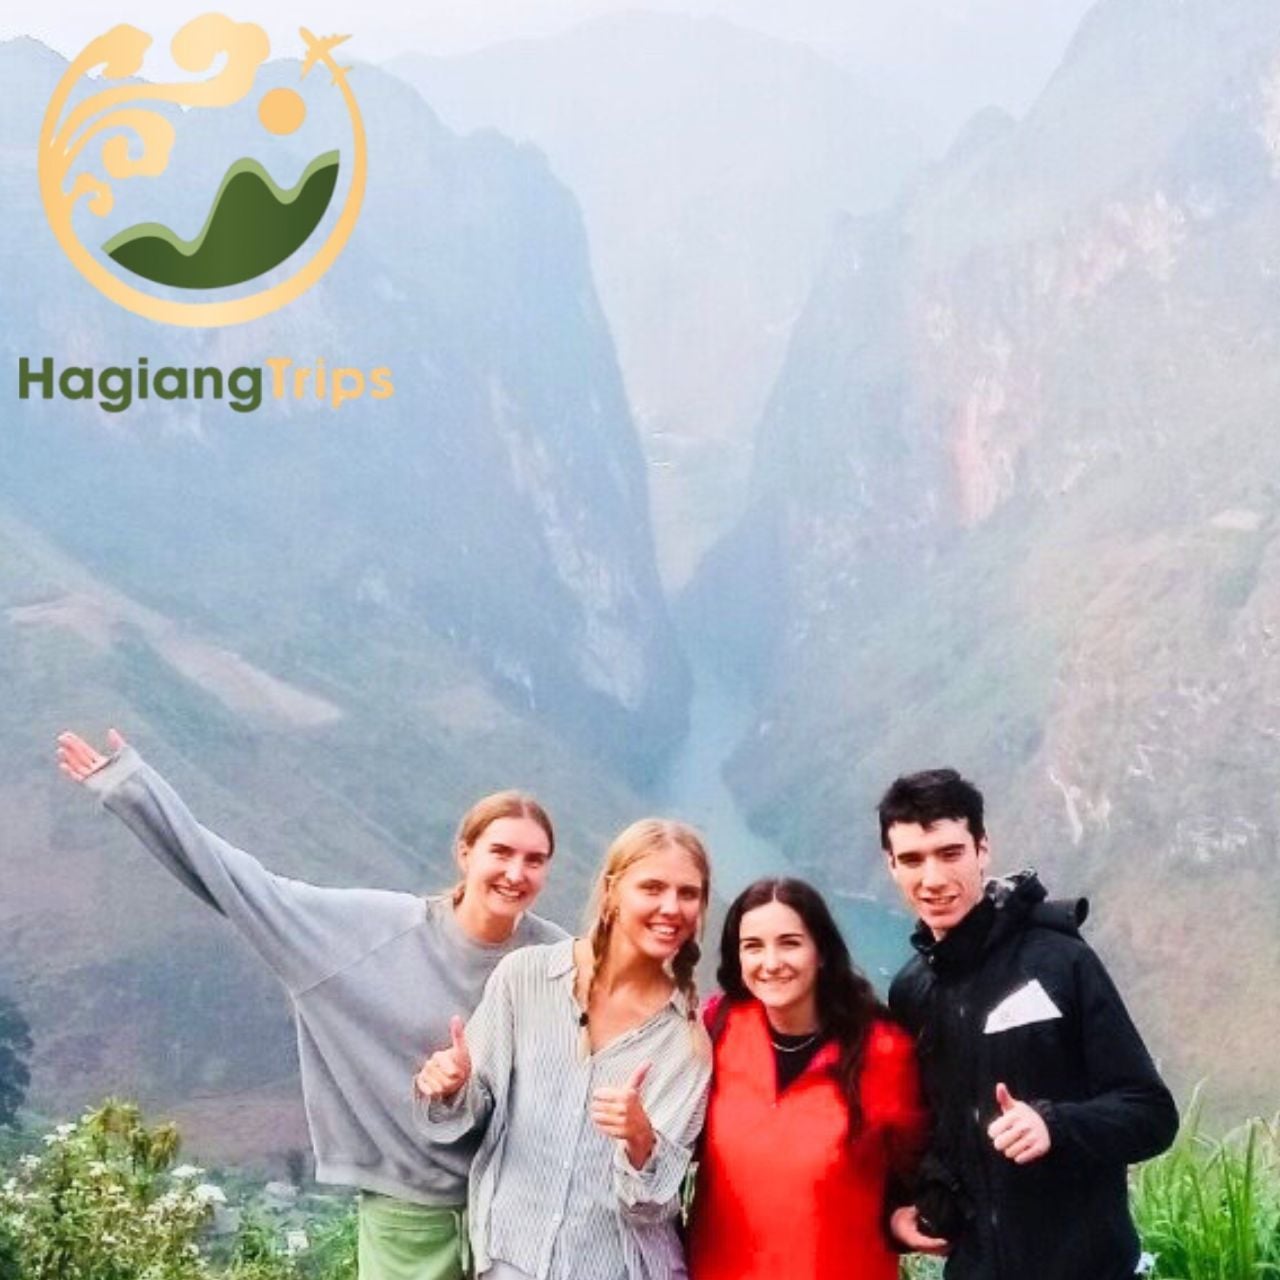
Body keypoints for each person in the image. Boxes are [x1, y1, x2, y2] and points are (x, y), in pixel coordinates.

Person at [56, 728, 566, 1280]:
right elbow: (242, 887)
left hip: (519, 1219)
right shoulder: (373, 934)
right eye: (501, 852)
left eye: (534, 860)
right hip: (410, 1221)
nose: (516, 873)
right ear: (465, 853)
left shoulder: (560, 960)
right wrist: (133, 788)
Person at [877, 767, 1179, 1280]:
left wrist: (1053, 1125)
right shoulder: (911, 991)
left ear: (982, 849)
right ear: (891, 865)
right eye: (912, 859)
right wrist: (897, 1211)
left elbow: (1151, 1114)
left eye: (950, 853)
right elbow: (920, 1133)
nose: (933, 878)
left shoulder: (1060, 962)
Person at [414, 818, 713, 1280]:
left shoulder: (685, 1042)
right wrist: (451, 1086)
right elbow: (472, 1113)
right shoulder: (525, 977)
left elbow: (650, 1206)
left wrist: (640, 1139)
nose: (671, 907)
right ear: (611, 891)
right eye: (652, 888)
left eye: (688, 893)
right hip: (510, 1260)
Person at [686, 877, 927, 1280]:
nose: (771, 962)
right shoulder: (720, 1028)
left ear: (822, 952)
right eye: (753, 946)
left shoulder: (884, 1051)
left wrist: (906, 1217)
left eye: (790, 943)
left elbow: (918, 1164)